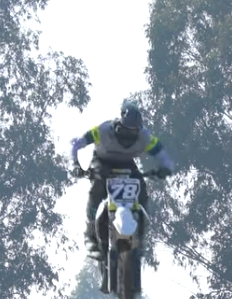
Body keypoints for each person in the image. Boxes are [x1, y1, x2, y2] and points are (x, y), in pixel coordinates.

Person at [70, 100, 173, 259]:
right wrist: (76, 164)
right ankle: (90, 236)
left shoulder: (145, 137)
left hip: (127, 164)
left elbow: (162, 154)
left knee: (142, 189)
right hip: (102, 162)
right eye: (125, 131)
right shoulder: (103, 130)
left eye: (133, 132)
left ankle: (141, 235)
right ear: (118, 125)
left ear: (139, 130)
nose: (128, 136)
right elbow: (77, 144)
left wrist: (165, 168)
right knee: (97, 188)